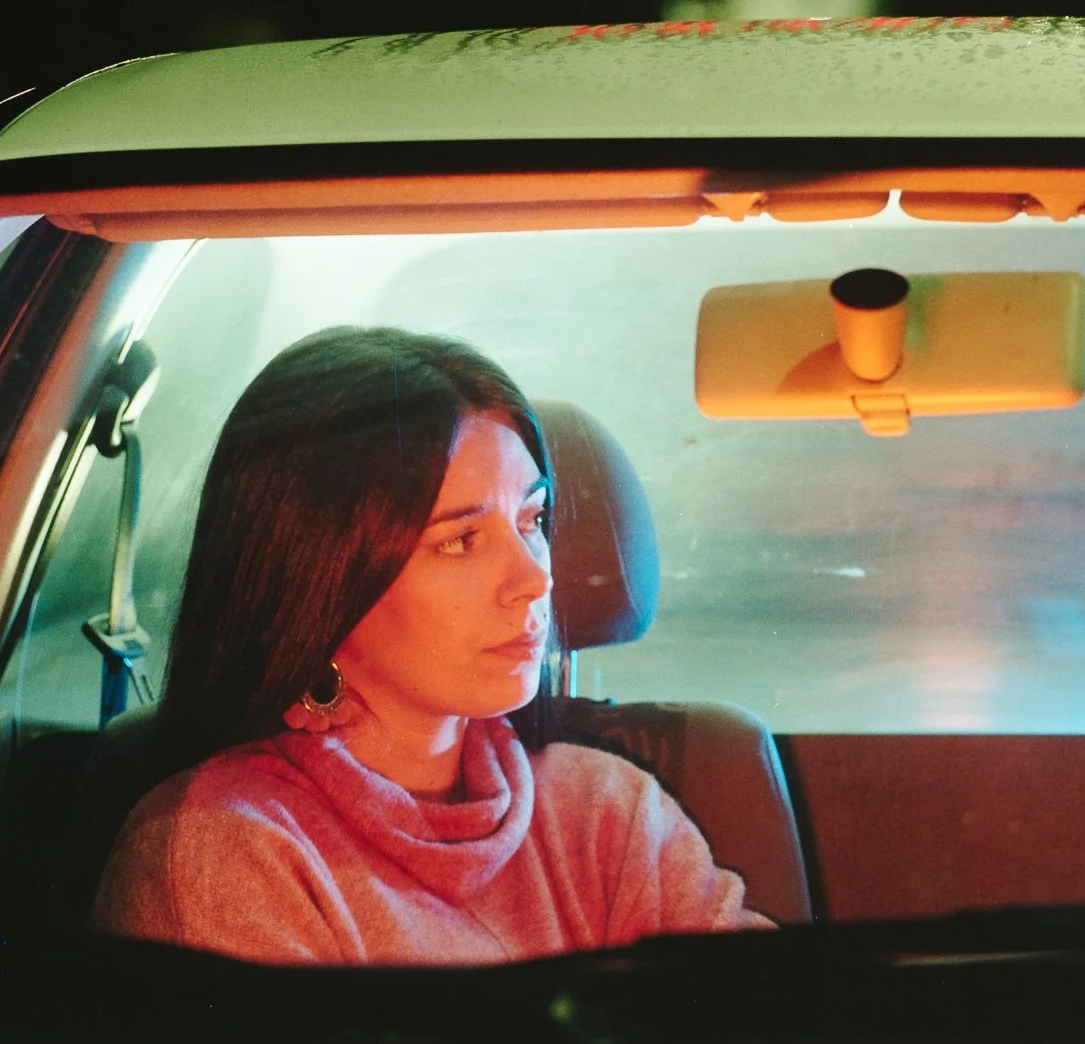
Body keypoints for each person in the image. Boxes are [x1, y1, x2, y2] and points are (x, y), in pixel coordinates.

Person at [94, 326, 770, 963]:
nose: (536, 577)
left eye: (533, 519)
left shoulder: (607, 811)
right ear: (322, 578)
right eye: (461, 540)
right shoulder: (223, 849)